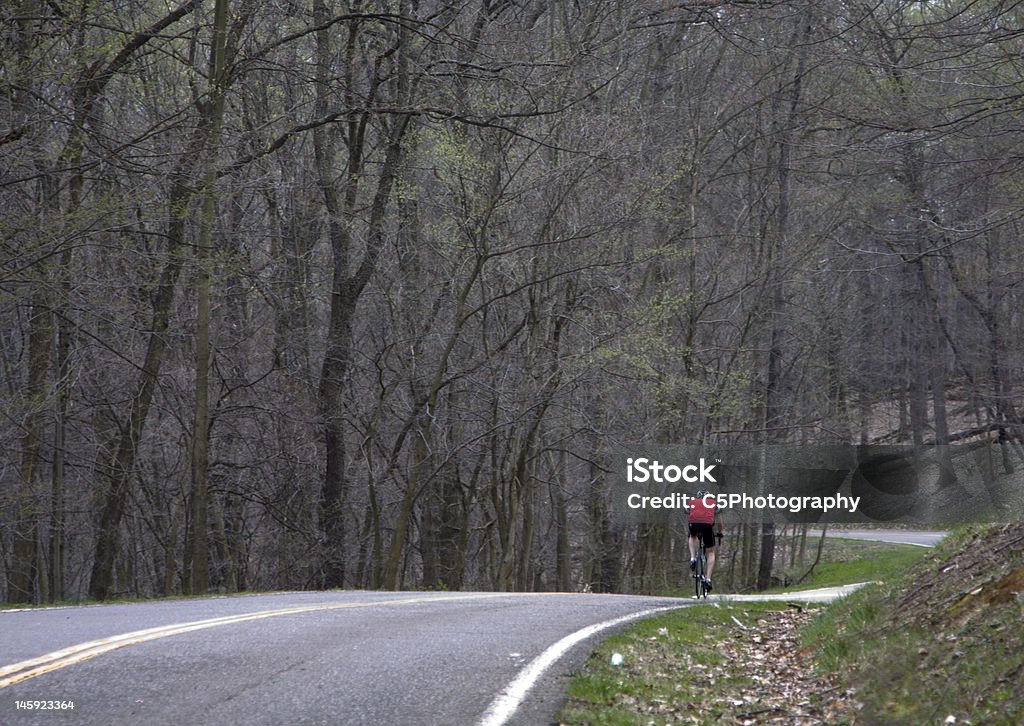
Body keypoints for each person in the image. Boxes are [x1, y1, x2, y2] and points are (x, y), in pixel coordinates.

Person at [686, 488, 723, 591]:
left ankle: (693, 558)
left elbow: (687, 512)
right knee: (710, 552)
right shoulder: (714, 503)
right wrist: (719, 533)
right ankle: (708, 579)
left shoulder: (692, 502)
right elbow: (720, 523)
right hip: (707, 525)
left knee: (692, 536)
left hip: (693, 523)